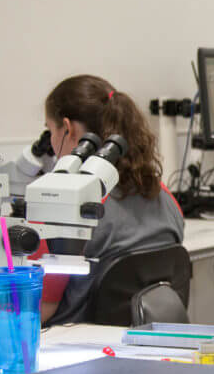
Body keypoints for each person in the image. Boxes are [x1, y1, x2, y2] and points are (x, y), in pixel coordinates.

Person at [38, 75, 184, 324]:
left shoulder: (67, 208)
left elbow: (41, 311)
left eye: (50, 130)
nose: (51, 142)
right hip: (140, 347)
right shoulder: (166, 197)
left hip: (79, 348)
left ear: (67, 128)